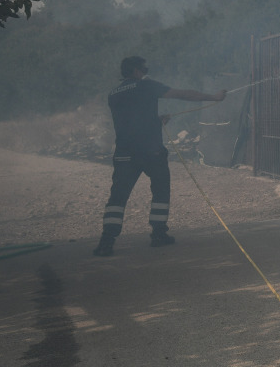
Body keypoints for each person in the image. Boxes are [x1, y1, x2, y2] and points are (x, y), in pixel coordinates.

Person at [92, 56, 226, 257]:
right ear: (137, 70)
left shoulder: (113, 94)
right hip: (150, 151)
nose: (146, 70)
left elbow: (131, 119)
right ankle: (158, 234)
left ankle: (106, 241)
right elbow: (182, 95)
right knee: (161, 190)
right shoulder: (146, 86)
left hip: (124, 153)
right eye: (143, 68)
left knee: (118, 196)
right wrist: (214, 97)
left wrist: (155, 121)